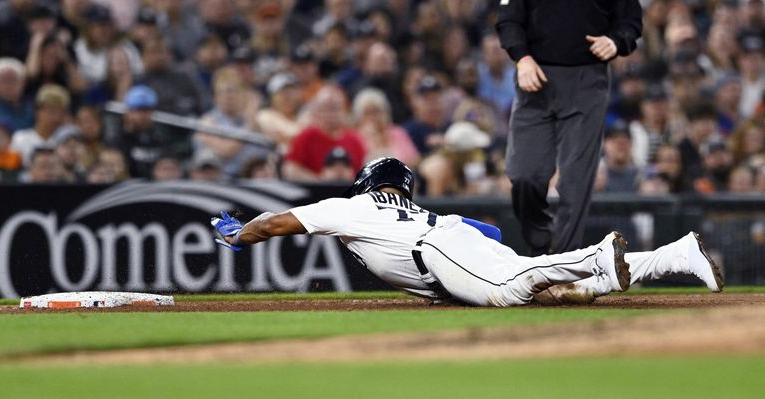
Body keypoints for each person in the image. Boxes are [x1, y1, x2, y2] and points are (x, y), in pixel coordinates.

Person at [210, 157, 722, 308]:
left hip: (433, 254)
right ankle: (676, 255)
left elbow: (277, 222)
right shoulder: (411, 207)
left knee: (508, 291)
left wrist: (239, 236)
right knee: (559, 294)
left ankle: (597, 253)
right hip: (451, 240)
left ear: (365, 183)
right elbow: (492, 231)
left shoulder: (349, 205)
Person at [496, 0, 643, 256]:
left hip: (587, 78)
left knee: (575, 181)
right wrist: (522, 57)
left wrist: (616, 41)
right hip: (535, 76)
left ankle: (563, 262)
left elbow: (630, 21)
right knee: (524, 175)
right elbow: (508, 20)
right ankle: (540, 243)